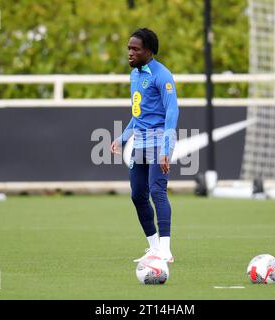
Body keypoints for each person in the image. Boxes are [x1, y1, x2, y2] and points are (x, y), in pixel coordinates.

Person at [111, 28, 179, 263]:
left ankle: (166, 250)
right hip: (139, 141)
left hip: (159, 139)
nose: (130, 53)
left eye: (135, 49)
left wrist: (166, 149)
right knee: (138, 195)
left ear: (148, 51)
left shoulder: (163, 75)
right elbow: (138, 114)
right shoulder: (135, 75)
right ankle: (153, 248)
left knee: (157, 191)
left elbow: (172, 110)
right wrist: (122, 137)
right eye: (129, 48)